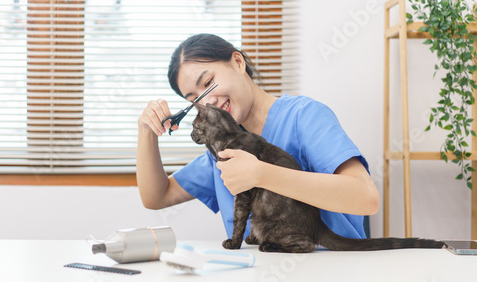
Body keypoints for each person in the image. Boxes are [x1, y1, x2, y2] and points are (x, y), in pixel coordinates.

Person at [137, 33, 379, 240]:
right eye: (194, 100)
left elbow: (366, 198)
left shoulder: (304, 117)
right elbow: (156, 197)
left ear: (237, 62)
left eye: (209, 82)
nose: (207, 101)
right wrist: (147, 131)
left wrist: (262, 174)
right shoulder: (224, 148)